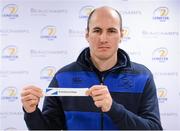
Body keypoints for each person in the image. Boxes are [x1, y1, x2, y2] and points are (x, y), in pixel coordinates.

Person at [21, 6, 163, 130]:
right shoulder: (62, 77)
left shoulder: (143, 76)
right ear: (87, 35)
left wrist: (113, 108)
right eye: (97, 30)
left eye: (111, 31)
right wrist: (31, 112)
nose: (103, 38)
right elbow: (48, 128)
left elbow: (154, 128)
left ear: (121, 35)